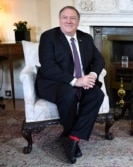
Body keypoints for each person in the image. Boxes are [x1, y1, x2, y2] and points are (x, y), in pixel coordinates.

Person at [35, 6, 105, 164]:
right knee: (69, 93)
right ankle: (70, 138)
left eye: (72, 18)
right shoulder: (49, 37)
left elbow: (99, 60)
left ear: (78, 21)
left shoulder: (85, 38)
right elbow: (48, 67)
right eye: (65, 17)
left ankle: (72, 138)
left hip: (81, 81)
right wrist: (75, 81)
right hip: (53, 83)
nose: (69, 21)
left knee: (97, 94)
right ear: (59, 20)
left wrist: (92, 75)